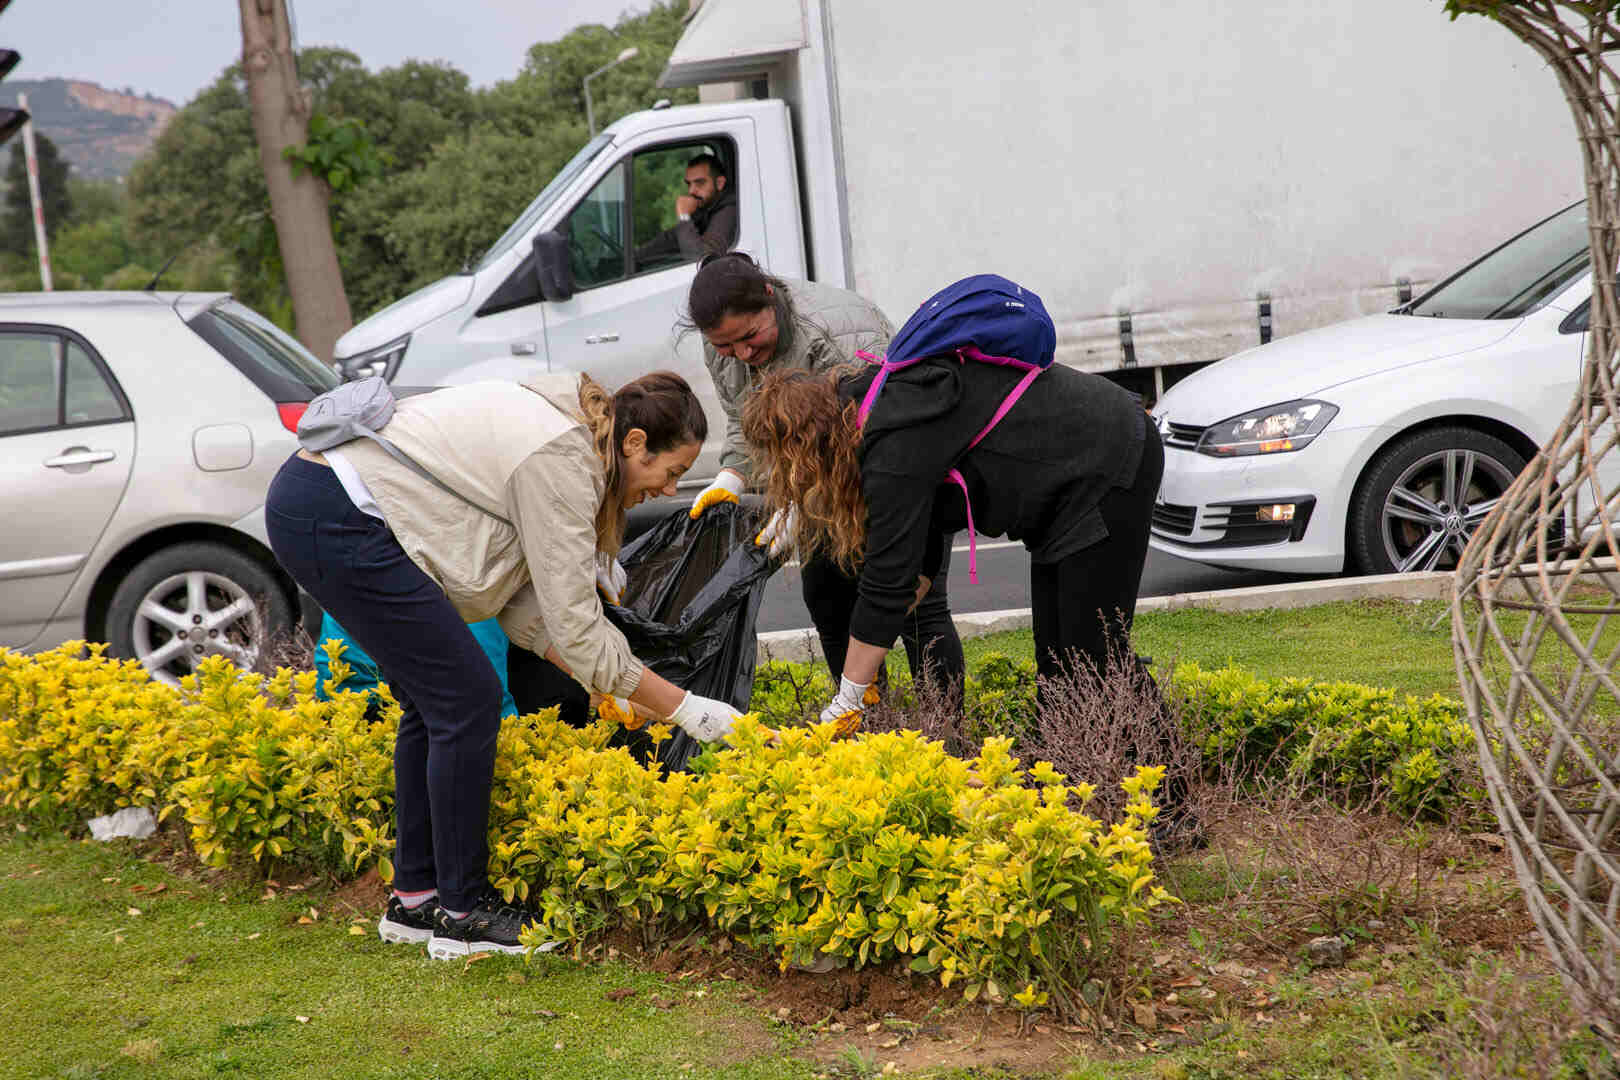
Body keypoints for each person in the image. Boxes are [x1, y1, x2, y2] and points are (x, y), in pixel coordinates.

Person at [264, 371, 743, 960]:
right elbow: (576, 623)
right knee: (466, 702)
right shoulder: (564, 461)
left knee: (433, 702)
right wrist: (690, 710)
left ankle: (416, 899)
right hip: (339, 513)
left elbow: (528, 609)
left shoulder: (574, 433)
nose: (670, 490)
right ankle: (465, 916)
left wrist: (613, 682)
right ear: (636, 443)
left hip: (315, 502)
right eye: (671, 472)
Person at [736, 287, 1163, 732]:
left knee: (1091, 659)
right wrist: (890, 617)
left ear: (807, 448)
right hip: (1071, 483)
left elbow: (886, 581)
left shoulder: (889, 444)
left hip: (1107, 461)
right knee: (1060, 662)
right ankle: (1077, 784)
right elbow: (913, 558)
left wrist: (849, 696)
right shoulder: (878, 406)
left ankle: (1171, 791)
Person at [682, 252, 966, 698]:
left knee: (915, 605)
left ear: (769, 299)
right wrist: (732, 477)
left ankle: (947, 734)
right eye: (725, 347)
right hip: (818, 481)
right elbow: (743, 418)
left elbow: (878, 439)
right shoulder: (725, 335)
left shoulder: (838, 335)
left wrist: (799, 504)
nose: (741, 354)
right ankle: (870, 723)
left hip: (897, 468)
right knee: (829, 601)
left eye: (750, 337)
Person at [634, 152, 739, 265]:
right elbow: (671, 239)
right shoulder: (706, 207)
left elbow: (702, 260)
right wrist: (635, 258)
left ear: (719, 183)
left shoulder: (730, 211)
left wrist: (684, 217)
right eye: (689, 184)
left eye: (699, 183)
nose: (691, 191)